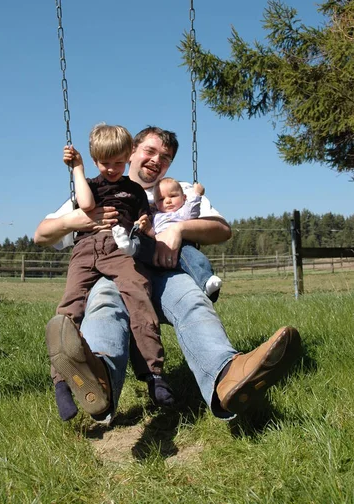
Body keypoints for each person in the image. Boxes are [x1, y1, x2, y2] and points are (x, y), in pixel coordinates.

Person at [35, 126, 301, 424]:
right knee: (104, 302)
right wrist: (77, 218)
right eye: (149, 151)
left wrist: (179, 228)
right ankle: (99, 380)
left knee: (191, 299)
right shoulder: (96, 189)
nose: (156, 160)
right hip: (116, 270)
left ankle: (226, 376)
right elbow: (41, 235)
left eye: (165, 157)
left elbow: (222, 229)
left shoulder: (178, 190)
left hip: (165, 276)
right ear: (131, 151)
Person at [47, 124, 174, 421]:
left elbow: (148, 227)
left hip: (119, 248)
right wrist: (77, 168)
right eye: (105, 163)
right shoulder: (88, 184)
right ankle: (63, 383)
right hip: (86, 249)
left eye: (119, 162)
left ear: (128, 157)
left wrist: (144, 227)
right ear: (94, 161)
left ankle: (153, 375)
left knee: (138, 295)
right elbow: (87, 205)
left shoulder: (135, 192)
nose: (113, 169)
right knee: (69, 309)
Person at [112, 177, 222, 301]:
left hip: (179, 247)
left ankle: (206, 281)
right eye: (161, 199)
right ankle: (131, 247)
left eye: (173, 196)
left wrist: (196, 194)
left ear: (184, 198)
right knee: (144, 242)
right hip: (156, 248)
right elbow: (153, 234)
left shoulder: (183, 212)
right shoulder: (156, 215)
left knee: (194, 257)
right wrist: (146, 227)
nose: (168, 201)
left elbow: (193, 210)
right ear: (155, 203)